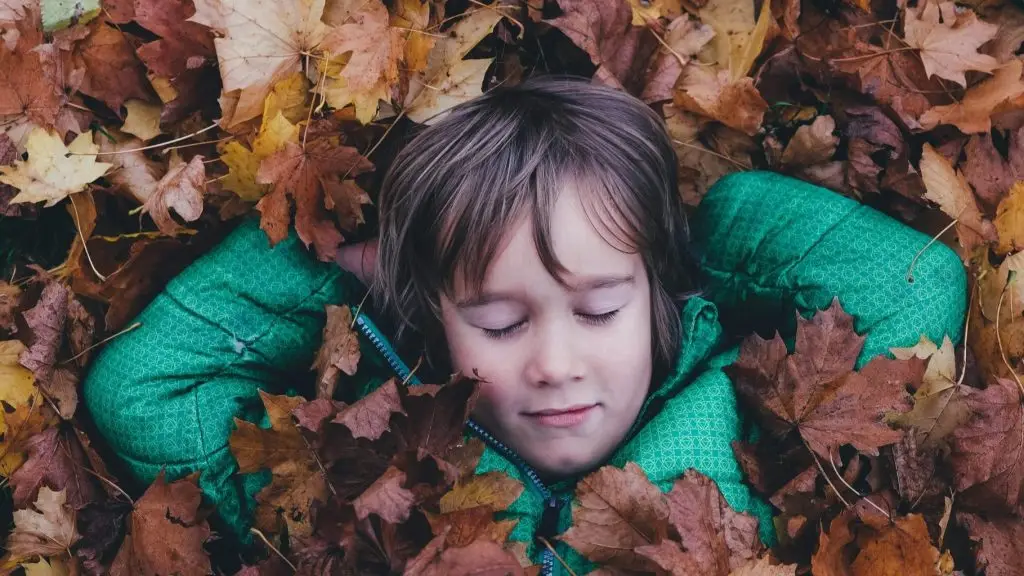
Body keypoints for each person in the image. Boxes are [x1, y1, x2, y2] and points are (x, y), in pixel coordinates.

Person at [82, 75, 967, 575]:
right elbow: (142, 388)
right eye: (501, 323)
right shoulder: (361, 480)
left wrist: (704, 235)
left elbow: (915, 285)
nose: (556, 362)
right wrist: (333, 261)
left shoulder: (753, 419)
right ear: (434, 323)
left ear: (654, 296)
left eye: (599, 309)